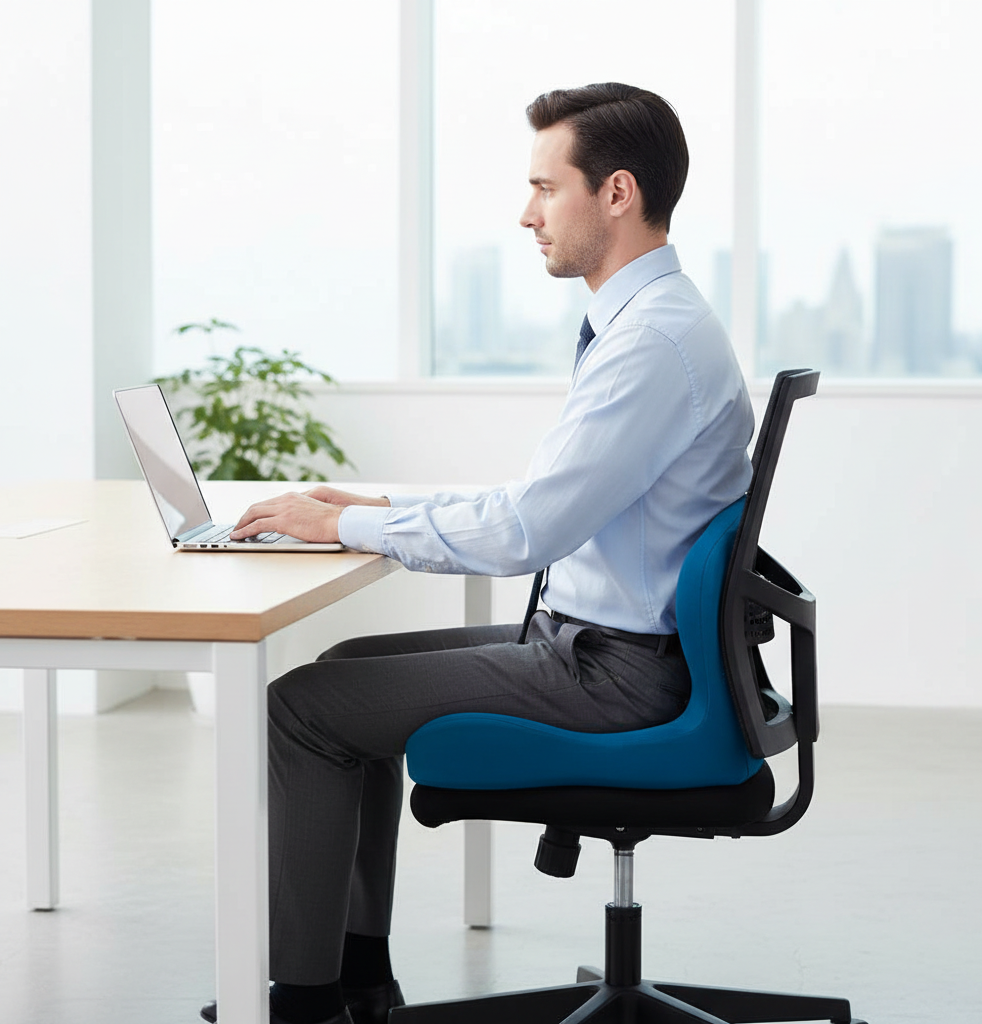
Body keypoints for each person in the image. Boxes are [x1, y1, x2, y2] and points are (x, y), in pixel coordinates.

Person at [201, 82, 753, 1024]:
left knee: (302, 710)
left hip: (617, 674)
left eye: (546, 187)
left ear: (616, 193)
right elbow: (532, 501)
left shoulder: (653, 343)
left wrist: (341, 528)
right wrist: (372, 503)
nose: (526, 213)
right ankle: (358, 977)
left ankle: (302, 1004)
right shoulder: (648, 324)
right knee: (341, 674)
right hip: (612, 648)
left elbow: (524, 532)